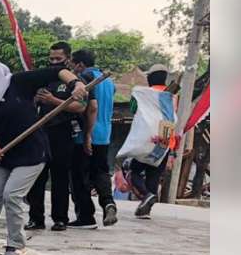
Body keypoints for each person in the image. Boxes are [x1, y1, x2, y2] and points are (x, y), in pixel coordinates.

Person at [0, 58, 88, 255]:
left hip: (31, 152)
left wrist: (76, 84)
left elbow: (57, 71)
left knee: (12, 196)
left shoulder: (18, 83)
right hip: (4, 154)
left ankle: (16, 246)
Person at [25, 42, 86, 232]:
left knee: (60, 178)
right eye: (51, 59)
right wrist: (34, 99)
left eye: (58, 59)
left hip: (62, 132)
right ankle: (36, 218)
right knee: (37, 177)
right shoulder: (43, 78)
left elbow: (81, 107)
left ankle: (60, 219)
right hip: (40, 132)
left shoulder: (75, 82)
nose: (53, 62)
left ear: (68, 59)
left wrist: (53, 100)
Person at [69, 49, 118, 227]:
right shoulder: (109, 82)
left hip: (85, 135)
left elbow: (92, 107)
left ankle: (85, 216)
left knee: (79, 176)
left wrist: (87, 134)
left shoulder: (84, 79)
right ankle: (108, 202)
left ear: (80, 64)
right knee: (101, 172)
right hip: (104, 135)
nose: (73, 70)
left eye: (73, 65)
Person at [127, 64, 175, 219]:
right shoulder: (173, 95)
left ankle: (146, 195)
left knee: (133, 170)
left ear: (149, 78)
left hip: (146, 139)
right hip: (165, 140)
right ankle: (146, 210)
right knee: (153, 175)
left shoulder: (142, 93)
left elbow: (133, 109)